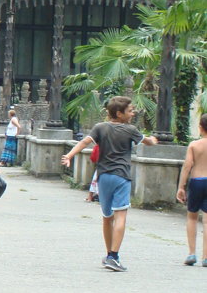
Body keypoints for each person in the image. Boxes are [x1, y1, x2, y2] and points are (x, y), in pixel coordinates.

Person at [61, 96, 159, 272]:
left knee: (107, 217)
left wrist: (69, 156)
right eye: (130, 110)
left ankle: (109, 254)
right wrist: (152, 139)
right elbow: (148, 142)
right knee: (121, 216)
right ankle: (113, 256)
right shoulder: (130, 130)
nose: (133, 112)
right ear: (119, 113)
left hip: (103, 176)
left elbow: (84, 142)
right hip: (121, 176)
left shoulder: (100, 127)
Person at [176, 113, 207, 266]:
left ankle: (191, 253)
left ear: (200, 127)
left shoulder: (194, 145)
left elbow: (187, 166)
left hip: (197, 181)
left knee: (192, 217)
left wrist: (181, 187)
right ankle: (206, 256)